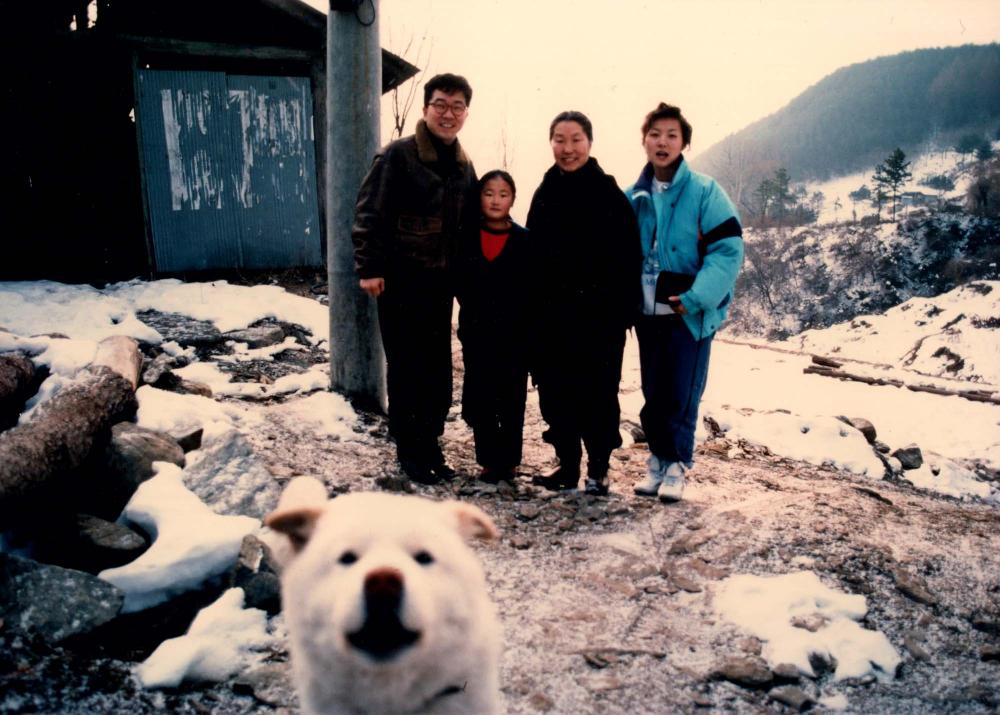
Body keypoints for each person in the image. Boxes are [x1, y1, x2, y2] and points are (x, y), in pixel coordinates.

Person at [352, 73, 477, 484]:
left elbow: (470, 224)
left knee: (437, 370)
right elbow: (370, 213)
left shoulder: (463, 165)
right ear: (426, 108)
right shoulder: (398, 156)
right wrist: (369, 267)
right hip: (402, 280)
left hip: (441, 286)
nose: (448, 113)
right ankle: (410, 449)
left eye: (457, 107)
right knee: (408, 367)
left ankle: (430, 442)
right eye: (440, 104)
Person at [625, 103, 743, 502]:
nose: (662, 142)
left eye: (671, 135)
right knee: (653, 392)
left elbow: (728, 251)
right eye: (655, 134)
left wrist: (695, 298)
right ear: (644, 140)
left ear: (684, 143)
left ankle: (677, 465)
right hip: (647, 312)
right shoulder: (634, 196)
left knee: (681, 392)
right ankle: (658, 461)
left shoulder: (706, 192)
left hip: (687, 313)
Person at [526, 111, 642, 496]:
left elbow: (629, 259)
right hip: (552, 318)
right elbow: (532, 258)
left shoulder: (609, 195)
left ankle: (598, 469)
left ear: (589, 143)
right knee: (556, 393)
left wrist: (619, 313)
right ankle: (567, 465)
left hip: (599, 320)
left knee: (597, 394)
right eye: (560, 139)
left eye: (575, 139)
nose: (567, 148)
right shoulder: (544, 193)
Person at [456, 170, 532, 483]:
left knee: (512, 398)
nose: (496, 200)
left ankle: (510, 461)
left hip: (515, 335)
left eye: (503, 194)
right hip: (477, 332)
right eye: (489, 193)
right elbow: (459, 281)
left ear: (512, 198)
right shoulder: (466, 236)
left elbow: (532, 288)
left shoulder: (524, 239)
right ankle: (488, 460)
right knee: (482, 396)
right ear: (479, 197)